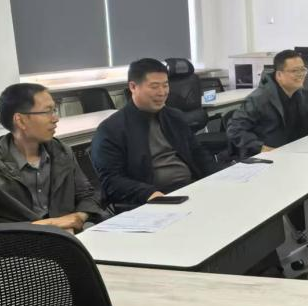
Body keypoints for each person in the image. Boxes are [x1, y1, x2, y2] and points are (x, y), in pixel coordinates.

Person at [91, 58, 217, 207]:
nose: (162, 92)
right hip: (153, 199)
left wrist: (218, 176)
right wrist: (148, 193)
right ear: (133, 86)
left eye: (165, 85)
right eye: (154, 86)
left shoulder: (174, 117)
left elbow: (197, 153)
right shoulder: (111, 129)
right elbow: (111, 181)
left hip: (191, 189)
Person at [0, 83, 105, 229]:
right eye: (47, 112)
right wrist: (51, 224)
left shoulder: (61, 152)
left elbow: (88, 196)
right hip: (19, 243)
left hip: (69, 238)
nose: (55, 118)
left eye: (54, 110)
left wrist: (78, 217)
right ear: (20, 120)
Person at [228, 50, 308, 158]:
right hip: (268, 158)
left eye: (303, 70)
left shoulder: (302, 95)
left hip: (294, 154)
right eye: (295, 71)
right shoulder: (259, 99)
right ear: (279, 75)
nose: (301, 75)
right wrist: (260, 148)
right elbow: (234, 129)